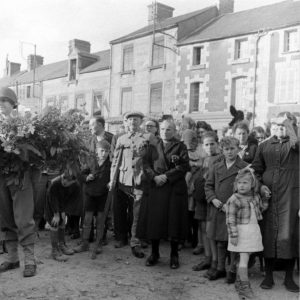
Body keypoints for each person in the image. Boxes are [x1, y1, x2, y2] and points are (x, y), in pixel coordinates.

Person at [251, 114, 299, 293]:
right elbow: (256, 171)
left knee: (291, 234)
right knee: (269, 234)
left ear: (293, 127)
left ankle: (288, 278)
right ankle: (269, 275)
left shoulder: (295, 144)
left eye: (286, 125)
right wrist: (261, 186)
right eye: (278, 124)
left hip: (292, 197)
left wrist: (291, 126)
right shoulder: (264, 146)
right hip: (269, 198)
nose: (282, 128)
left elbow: (297, 144)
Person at [139, 119, 190, 269]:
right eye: (162, 129)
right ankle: (154, 253)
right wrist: (154, 176)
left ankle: (174, 254)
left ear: (174, 131)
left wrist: (166, 176)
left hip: (173, 188)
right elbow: (146, 163)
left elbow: (184, 165)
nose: (165, 132)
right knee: (155, 221)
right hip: (156, 187)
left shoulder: (180, 146)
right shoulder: (152, 144)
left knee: (173, 221)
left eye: (168, 129)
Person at [0, 87, 36, 277]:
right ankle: (12, 258)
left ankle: (30, 260)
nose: (2, 105)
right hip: (2, 175)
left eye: (5, 101)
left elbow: (31, 152)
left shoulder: (23, 123)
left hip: (20, 175)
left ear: (14, 103)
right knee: (5, 217)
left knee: (23, 217)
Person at [204, 137, 248, 280]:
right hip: (218, 209)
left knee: (234, 241)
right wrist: (213, 199)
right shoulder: (216, 166)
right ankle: (220, 268)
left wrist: (234, 204)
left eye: (232, 149)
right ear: (222, 150)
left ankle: (233, 269)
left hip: (235, 211)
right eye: (226, 149)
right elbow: (208, 185)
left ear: (238, 149)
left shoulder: (244, 167)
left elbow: (248, 189)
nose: (229, 152)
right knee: (220, 240)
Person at [110, 111, 150, 258]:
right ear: (126, 122)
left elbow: (152, 159)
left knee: (137, 212)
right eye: (130, 119)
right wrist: (111, 179)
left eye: (136, 119)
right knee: (120, 210)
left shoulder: (147, 137)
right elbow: (115, 161)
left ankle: (136, 240)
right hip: (122, 179)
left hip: (139, 179)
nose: (133, 122)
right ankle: (121, 237)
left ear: (140, 122)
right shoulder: (121, 139)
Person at [226, 168, 268, 299]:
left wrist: (265, 200)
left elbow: (260, 209)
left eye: (245, 183)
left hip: (253, 232)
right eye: (239, 183)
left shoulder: (255, 196)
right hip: (241, 233)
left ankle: (239, 283)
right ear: (236, 184)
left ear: (252, 185)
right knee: (244, 259)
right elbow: (230, 219)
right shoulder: (234, 199)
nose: (242, 185)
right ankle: (244, 287)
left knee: (246, 257)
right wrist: (233, 235)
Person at [74, 140, 111, 256]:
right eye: (102, 151)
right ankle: (85, 243)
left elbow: (114, 177)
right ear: (97, 151)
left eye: (106, 151)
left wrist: (111, 182)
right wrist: (86, 177)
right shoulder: (91, 162)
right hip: (90, 194)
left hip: (103, 195)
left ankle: (98, 243)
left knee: (100, 222)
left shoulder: (111, 164)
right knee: (87, 220)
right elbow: (80, 175)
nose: (104, 153)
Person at [193, 131, 222, 272]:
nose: (210, 147)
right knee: (203, 228)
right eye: (206, 144)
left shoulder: (220, 159)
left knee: (211, 231)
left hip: (212, 199)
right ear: (202, 146)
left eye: (212, 144)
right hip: (201, 199)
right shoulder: (204, 160)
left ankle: (215, 261)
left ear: (217, 144)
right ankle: (207, 257)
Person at [45, 171, 80, 261]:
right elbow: (53, 199)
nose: (66, 184)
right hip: (51, 204)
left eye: (69, 183)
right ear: (63, 178)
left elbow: (70, 199)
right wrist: (56, 214)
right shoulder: (55, 184)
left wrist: (64, 211)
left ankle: (62, 245)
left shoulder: (75, 185)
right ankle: (54, 250)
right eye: (65, 182)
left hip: (63, 204)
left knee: (63, 222)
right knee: (55, 223)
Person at [182, 129, 202, 249]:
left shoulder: (201, 150)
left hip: (196, 186)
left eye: (193, 139)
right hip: (185, 186)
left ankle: (194, 240)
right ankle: (188, 238)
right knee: (187, 215)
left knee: (194, 215)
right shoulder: (183, 151)